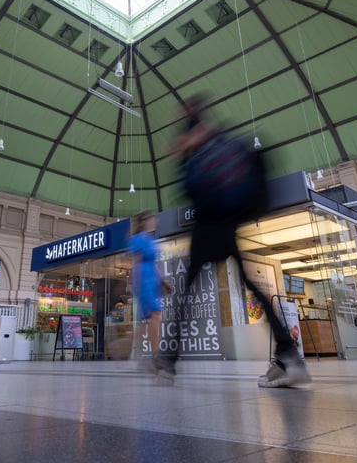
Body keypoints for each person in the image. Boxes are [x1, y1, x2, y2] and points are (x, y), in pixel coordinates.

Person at [165, 96, 309, 388]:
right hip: (229, 223)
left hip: (207, 224)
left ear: (186, 112)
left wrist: (184, 150)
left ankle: (168, 360)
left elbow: (186, 187)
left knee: (189, 290)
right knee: (250, 285)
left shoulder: (191, 139)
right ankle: (289, 355)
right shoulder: (219, 136)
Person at [128, 211, 168, 376]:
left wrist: (163, 281)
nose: (154, 221)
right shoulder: (137, 239)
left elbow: (154, 263)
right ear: (143, 221)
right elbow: (136, 261)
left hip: (152, 281)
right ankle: (154, 355)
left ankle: (140, 355)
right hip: (143, 280)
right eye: (151, 218)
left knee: (148, 319)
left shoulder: (151, 240)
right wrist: (134, 283)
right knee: (155, 315)